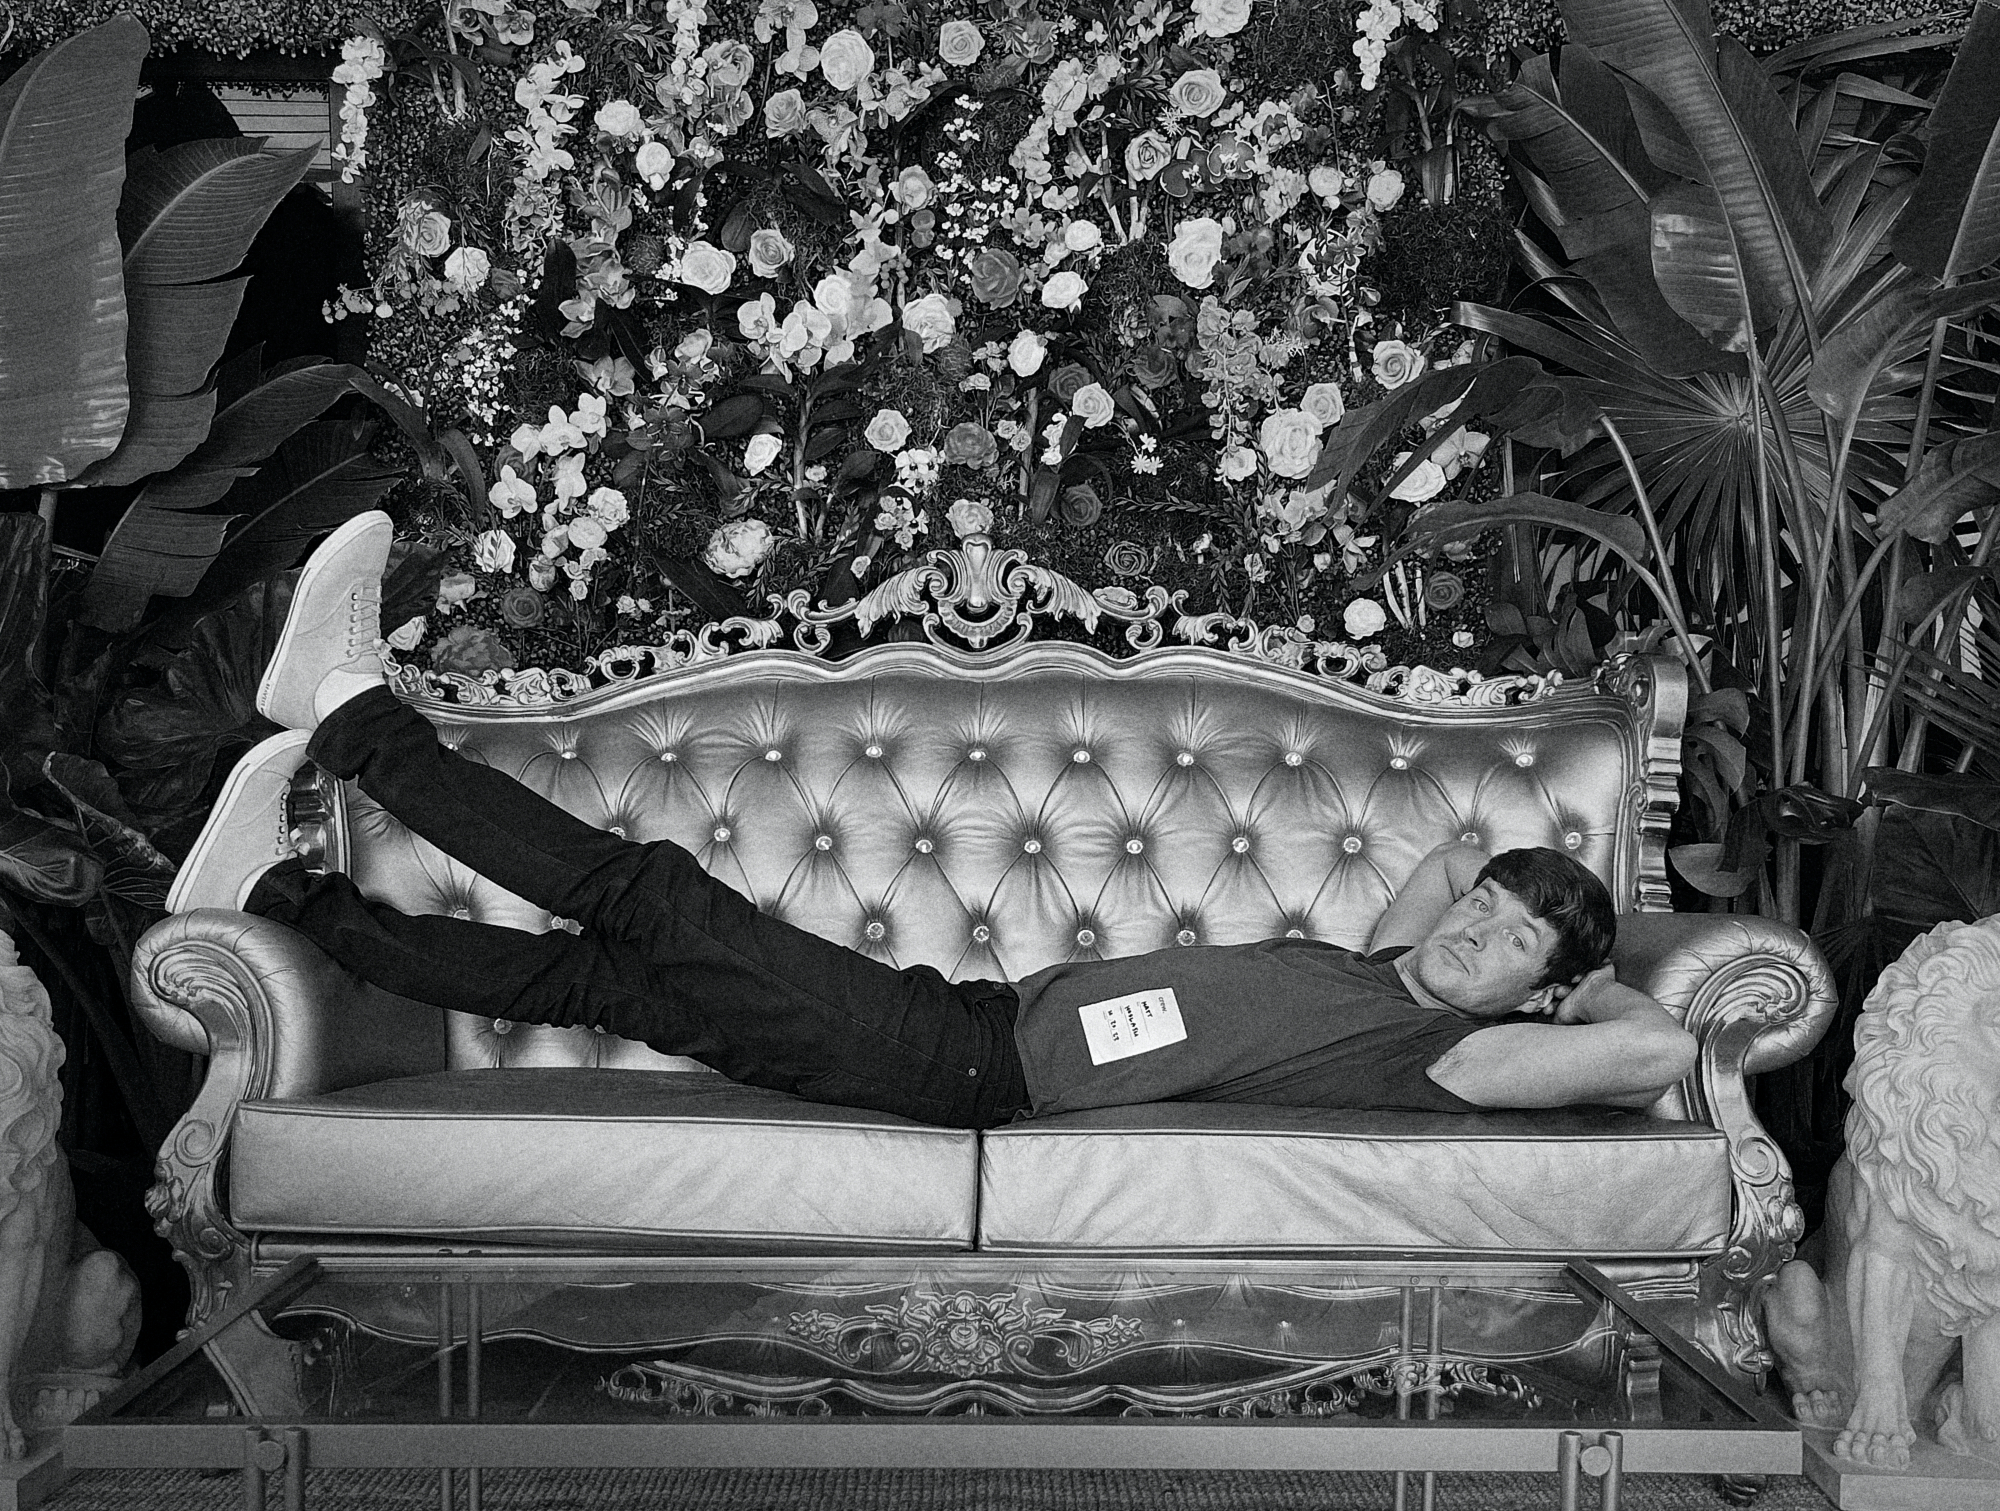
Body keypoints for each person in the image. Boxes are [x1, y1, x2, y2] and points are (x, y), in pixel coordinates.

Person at [171, 513, 1699, 1131]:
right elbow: (1439, 868)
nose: (1478, 932)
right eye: (1489, 912)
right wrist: (1494, 899)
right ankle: (287, 912)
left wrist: (1593, 968)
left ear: (1534, 1002)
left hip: (955, 1068)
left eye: (1509, 948)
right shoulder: (1394, 981)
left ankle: (354, 714)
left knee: (645, 896)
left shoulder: (1453, 1051)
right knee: (592, 982)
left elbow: (1647, 1050)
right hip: (959, 1017)